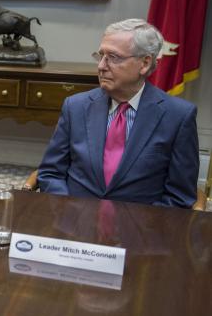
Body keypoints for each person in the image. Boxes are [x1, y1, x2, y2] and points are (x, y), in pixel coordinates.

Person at [38, 18, 199, 208]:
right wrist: (68, 211)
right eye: (100, 56)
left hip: (139, 232)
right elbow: (51, 173)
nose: (101, 66)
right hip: (74, 225)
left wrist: (137, 228)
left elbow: (179, 196)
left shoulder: (178, 116)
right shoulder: (75, 107)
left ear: (145, 63)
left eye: (113, 57)